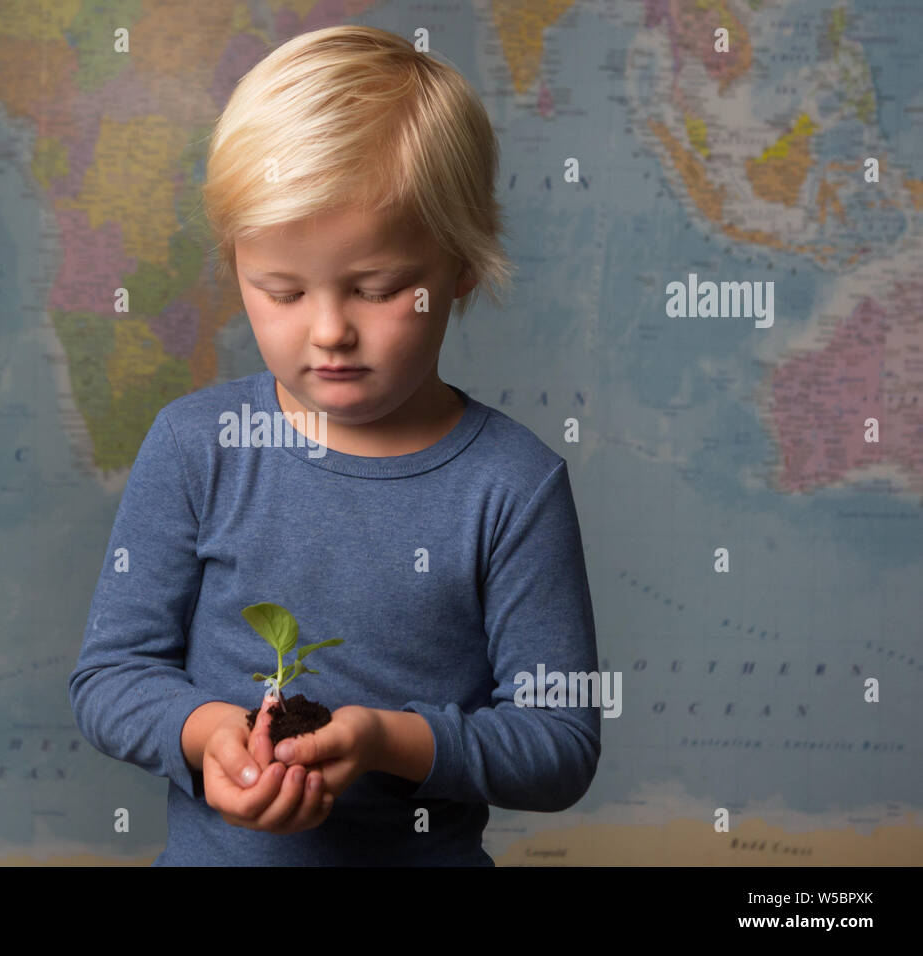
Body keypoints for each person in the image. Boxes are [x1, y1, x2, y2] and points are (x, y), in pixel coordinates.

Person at [68, 24, 600, 866]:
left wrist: (389, 742)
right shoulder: (196, 447)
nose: (328, 331)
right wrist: (214, 738)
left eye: (379, 288)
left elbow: (560, 742)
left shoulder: (512, 486)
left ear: (460, 266)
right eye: (279, 290)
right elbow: (110, 677)